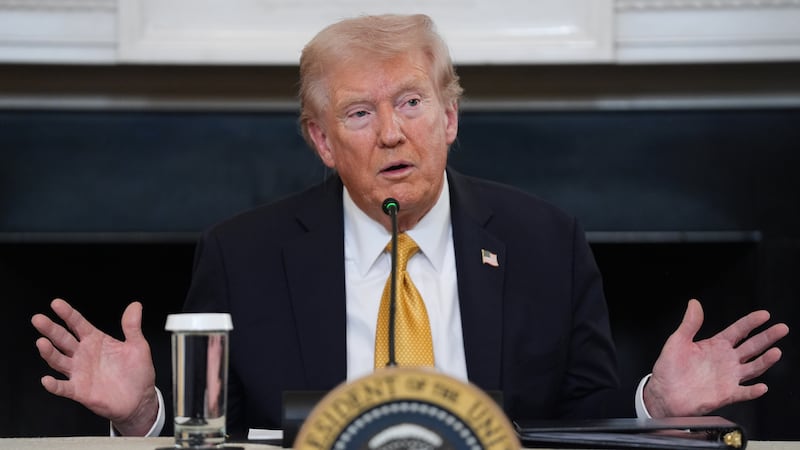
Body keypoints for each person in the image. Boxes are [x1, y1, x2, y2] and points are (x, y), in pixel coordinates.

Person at [31, 13, 789, 438]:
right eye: (360, 113)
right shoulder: (244, 255)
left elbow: (581, 428)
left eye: (413, 103)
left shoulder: (543, 242)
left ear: (450, 117)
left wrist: (654, 407)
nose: (392, 134)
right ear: (323, 142)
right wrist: (143, 412)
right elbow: (214, 436)